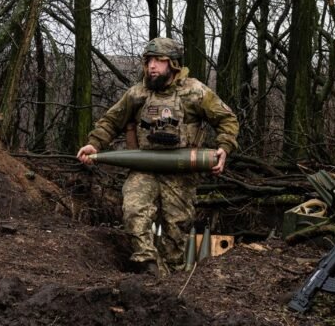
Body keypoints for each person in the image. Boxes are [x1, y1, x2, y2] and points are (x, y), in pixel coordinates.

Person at [76, 37, 239, 277]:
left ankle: (166, 280)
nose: (152, 66)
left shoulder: (195, 92)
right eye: (148, 60)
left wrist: (224, 147)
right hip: (144, 168)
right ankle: (147, 263)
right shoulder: (137, 94)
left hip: (181, 172)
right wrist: (93, 144)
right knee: (134, 211)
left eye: (159, 61)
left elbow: (227, 120)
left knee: (176, 234)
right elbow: (111, 121)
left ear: (172, 64)